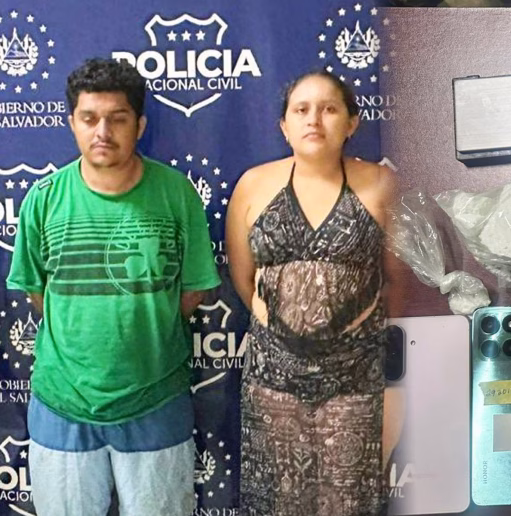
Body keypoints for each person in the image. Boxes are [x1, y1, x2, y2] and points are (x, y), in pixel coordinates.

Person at [6, 58, 221, 515]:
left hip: (156, 400)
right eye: (89, 119)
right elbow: (38, 295)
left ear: (139, 125)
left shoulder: (176, 194)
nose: (102, 131)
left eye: (117, 118)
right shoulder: (43, 200)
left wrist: (144, 330)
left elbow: (192, 291)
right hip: (63, 403)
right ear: (72, 123)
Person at [226, 70, 397, 515]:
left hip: (355, 378)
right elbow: (243, 277)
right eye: (301, 110)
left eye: (329, 109)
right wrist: (286, 332)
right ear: (284, 126)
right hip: (273, 380)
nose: (313, 120)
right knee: (279, 502)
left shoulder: (381, 184)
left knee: (348, 503)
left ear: (352, 122)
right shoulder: (253, 185)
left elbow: (398, 281)